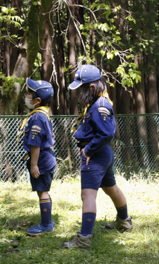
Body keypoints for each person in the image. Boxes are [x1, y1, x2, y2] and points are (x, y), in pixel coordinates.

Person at [63, 65, 133, 249]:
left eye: (82, 89)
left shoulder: (100, 105)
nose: (80, 93)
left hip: (95, 155)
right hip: (102, 154)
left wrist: (88, 150)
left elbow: (106, 134)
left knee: (87, 195)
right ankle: (124, 221)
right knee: (111, 188)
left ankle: (84, 238)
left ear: (92, 87)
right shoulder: (97, 103)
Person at [18, 79, 56, 236]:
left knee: (42, 192)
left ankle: (46, 225)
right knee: (44, 190)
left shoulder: (37, 118)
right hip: (45, 157)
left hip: (41, 159)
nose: (27, 96)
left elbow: (35, 144)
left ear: (38, 100)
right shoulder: (41, 114)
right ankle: (47, 221)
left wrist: (34, 165)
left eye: (30, 94)